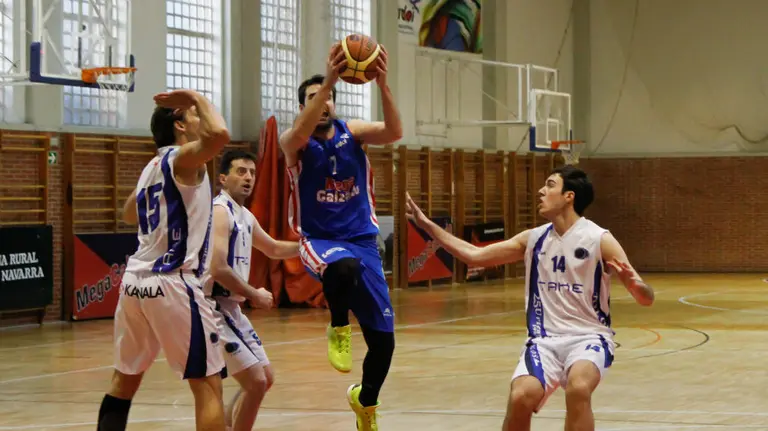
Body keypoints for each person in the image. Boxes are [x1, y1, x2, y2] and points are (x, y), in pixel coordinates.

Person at [404, 165, 655, 431]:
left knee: (578, 388)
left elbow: (646, 298)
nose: (540, 191)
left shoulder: (599, 238)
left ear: (569, 196)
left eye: (549, 185)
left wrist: (633, 284)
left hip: (589, 337)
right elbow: (473, 256)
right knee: (521, 396)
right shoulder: (533, 239)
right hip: (543, 341)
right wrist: (427, 226)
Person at [279, 41, 402, 430]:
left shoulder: (354, 132)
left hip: (364, 241)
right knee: (342, 269)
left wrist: (382, 85)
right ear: (304, 108)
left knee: (384, 341)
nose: (325, 102)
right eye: (315, 98)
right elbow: (297, 135)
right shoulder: (293, 143)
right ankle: (338, 325)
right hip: (319, 240)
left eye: (328, 97)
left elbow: (395, 131)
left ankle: (365, 402)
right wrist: (330, 78)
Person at [97, 89, 231, 431]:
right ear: (180, 125)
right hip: (173, 282)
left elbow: (130, 213)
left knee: (124, 381)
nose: (201, 118)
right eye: (193, 115)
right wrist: (194, 95)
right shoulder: (181, 160)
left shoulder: (151, 167)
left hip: (134, 283)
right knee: (208, 385)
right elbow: (219, 136)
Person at [203, 149, 300, 431]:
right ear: (222, 178)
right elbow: (217, 268)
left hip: (231, 308)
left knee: (264, 379)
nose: (248, 178)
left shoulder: (244, 214)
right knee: (255, 382)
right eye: (240, 171)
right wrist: (254, 293)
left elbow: (272, 247)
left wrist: (309, 247)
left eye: (252, 173)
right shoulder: (221, 211)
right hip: (213, 307)